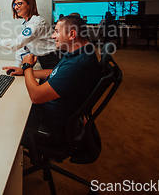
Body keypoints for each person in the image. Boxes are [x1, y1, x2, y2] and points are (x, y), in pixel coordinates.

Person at [20, 15, 101, 150]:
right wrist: (25, 72)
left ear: (71, 34)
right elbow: (54, 72)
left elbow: (36, 96)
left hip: (52, 127)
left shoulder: (77, 65)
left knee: (9, 114)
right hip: (59, 115)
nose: (53, 36)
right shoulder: (81, 52)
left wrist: (27, 67)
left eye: (57, 31)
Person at [0, 0, 60, 73]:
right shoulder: (26, 23)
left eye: (19, 4)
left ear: (29, 5)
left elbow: (17, 44)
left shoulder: (36, 23)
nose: (16, 7)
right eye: (14, 5)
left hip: (53, 58)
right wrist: (17, 67)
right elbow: (23, 47)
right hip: (44, 59)